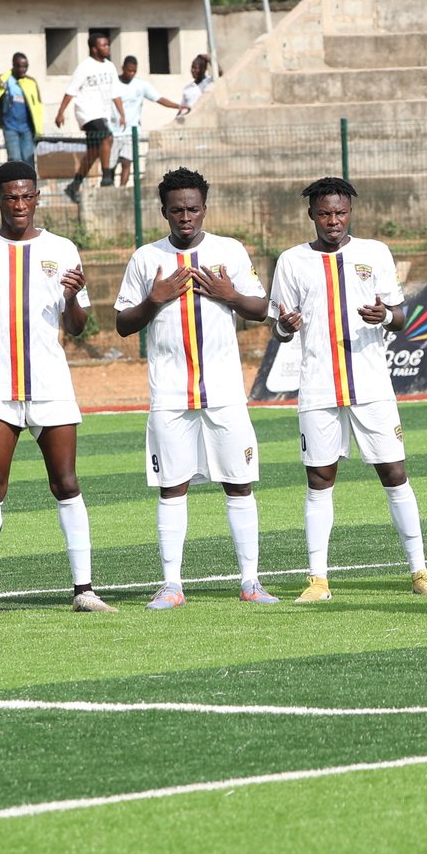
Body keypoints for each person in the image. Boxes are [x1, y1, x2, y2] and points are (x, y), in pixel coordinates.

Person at [0, 159, 112, 619]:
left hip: (50, 383)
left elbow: (76, 326)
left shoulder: (62, 248)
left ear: (37, 197)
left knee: (66, 482)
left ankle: (84, 590)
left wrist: (72, 297)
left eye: (26, 196)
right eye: (10, 197)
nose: (19, 204)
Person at [269, 177, 427, 600]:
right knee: (319, 479)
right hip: (318, 387)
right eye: (325, 213)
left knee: (395, 474)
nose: (333, 220)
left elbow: (400, 316)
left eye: (341, 213)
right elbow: (279, 328)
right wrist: (285, 326)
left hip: (371, 385)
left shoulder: (374, 252)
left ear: (350, 213)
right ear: (311, 215)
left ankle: (420, 573)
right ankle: (318, 580)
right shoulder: (292, 261)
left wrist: (385, 316)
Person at [116, 167, 279, 607]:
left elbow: (261, 309)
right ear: (164, 212)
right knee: (172, 486)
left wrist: (230, 295)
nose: (185, 217)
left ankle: (250, 582)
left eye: (192, 209)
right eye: (176, 210)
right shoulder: (146, 259)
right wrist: (154, 300)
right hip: (170, 394)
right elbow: (123, 323)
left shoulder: (229, 250)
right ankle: (172, 585)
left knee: (239, 483)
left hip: (224, 392)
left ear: (204, 209)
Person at [54, 33, 126, 200]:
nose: (107, 48)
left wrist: (122, 114)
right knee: (107, 137)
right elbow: (70, 91)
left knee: (93, 152)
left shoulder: (110, 67)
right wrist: (60, 112)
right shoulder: (85, 67)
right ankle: (107, 178)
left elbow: (115, 93)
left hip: (103, 114)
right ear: (94, 49)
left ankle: (74, 185)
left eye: (108, 44)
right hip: (87, 113)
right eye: (103, 45)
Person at [105, 55, 182, 186]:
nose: (131, 73)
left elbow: (159, 98)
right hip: (113, 131)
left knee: (126, 162)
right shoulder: (113, 84)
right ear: (123, 68)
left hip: (131, 132)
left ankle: (123, 189)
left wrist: (178, 106)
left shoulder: (141, 85)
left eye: (134, 71)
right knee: (110, 166)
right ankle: (110, 187)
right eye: (129, 70)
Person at [177, 53, 215, 118]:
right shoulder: (187, 88)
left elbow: (219, 73)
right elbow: (182, 108)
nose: (193, 70)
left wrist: (210, 59)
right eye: (192, 67)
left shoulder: (210, 81)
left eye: (195, 68)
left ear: (204, 69)